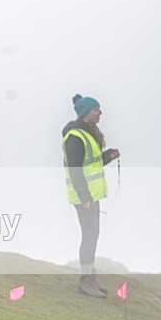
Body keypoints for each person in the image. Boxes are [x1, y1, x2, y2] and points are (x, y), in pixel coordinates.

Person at [62, 94, 120, 298]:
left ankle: (89, 277)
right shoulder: (75, 136)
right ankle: (85, 281)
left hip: (90, 195)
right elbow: (75, 169)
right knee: (89, 235)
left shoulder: (87, 133)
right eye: (96, 109)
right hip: (83, 197)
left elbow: (91, 164)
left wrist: (108, 157)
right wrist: (85, 197)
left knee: (92, 235)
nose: (100, 112)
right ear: (86, 113)